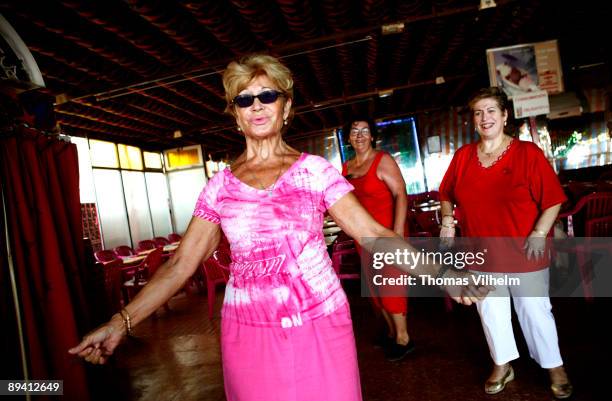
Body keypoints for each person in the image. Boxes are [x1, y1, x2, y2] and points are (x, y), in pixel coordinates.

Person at [69, 54, 489, 401]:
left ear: (286, 107)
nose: (256, 105)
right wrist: (120, 322)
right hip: (249, 331)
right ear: (234, 115)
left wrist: (441, 274)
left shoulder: (315, 172)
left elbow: (372, 234)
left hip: (320, 321)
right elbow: (180, 264)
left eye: (267, 95)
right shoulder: (219, 188)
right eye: (244, 99)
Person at [438, 87, 572, 399]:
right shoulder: (462, 158)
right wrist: (447, 221)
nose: (485, 118)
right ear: (473, 121)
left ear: (504, 116)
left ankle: (554, 366)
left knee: (535, 310)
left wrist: (539, 233)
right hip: (480, 252)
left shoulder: (528, 154)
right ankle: (502, 364)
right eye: (478, 113)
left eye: (491, 111)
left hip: (524, 249)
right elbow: (446, 193)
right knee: (491, 311)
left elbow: (552, 200)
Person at [342, 118, 413, 361]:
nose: (359, 135)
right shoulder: (346, 167)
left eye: (364, 131)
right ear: (348, 138)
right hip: (363, 237)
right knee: (374, 288)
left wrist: (398, 233)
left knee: (391, 285)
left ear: (372, 136)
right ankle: (392, 333)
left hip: (388, 234)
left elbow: (401, 194)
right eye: (354, 131)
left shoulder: (383, 160)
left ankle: (404, 338)